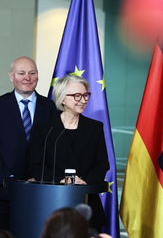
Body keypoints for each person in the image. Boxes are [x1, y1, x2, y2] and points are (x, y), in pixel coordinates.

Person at [30, 74, 110, 231]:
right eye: (77, 96)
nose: (83, 100)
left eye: (86, 95)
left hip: (87, 203)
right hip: (53, 203)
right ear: (63, 100)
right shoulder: (45, 129)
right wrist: (62, 180)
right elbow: (36, 167)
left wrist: (84, 181)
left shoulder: (94, 128)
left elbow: (102, 164)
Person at [0, 56, 57, 230]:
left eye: (32, 73)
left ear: (38, 76)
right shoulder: (0, 105)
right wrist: (6, 178)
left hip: (41, 191)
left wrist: (42, 176)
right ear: (11, 77)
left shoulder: (49, 107)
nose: (28, 78)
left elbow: (55, 148)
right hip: (4, 192)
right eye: (22, 73)